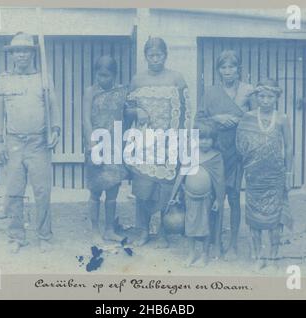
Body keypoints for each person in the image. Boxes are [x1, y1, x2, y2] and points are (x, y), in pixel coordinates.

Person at [0, 32, 61, 254]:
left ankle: (44, 236)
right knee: (14, 191)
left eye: (25, 51)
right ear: (12, 55)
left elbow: (54, 108)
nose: (21, 55)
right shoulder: (3, 80)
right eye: (17, 51)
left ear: (32, 54)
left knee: (42, 191)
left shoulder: (43, 78)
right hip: (13, 144)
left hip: (38, 144)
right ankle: (16, 236)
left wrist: (56, 131)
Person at [125, 37, 191, 247]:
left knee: (165, 189)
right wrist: (136, 111)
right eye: (151, 55)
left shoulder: (176, 78)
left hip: (168, 143)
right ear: (145, 56)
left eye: (159, 55)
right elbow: (126, 109)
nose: (155, 59)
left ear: (165, 55)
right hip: (144, 143)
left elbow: (187, 111)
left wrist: (182, 139)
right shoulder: (137, 80)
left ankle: (162, 232)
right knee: (143, 188)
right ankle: (142, 230)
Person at [195, 50, 254, 258]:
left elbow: (256, 120)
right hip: (216, 153)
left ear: (239, 69)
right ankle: (214, 240)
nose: (228, 71)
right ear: (218, 70)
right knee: (213, 197)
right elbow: (198, 120)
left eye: (232, 67)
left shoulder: (247, 92)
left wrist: (241, 118)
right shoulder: (210, 92)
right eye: (223, 67)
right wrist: (217, 118)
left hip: (237, 152)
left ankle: (233, 243)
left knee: (234, 196)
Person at [236, 79, 293, 270]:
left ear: (276, 97)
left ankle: (274, 255)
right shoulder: (248, 117)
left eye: (270, 96)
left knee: (276, 217)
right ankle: (257, 255)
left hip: (275, 175)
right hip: (254, 176)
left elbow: (290, 146)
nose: (266, 100)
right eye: (261, 96)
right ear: (256, 97)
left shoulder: (282, 118)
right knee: (254, 217)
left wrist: (289, 173)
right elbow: (241, 144)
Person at [83, 55, 128, 242]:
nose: (103, 79)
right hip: (97, 144)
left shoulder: (122, 92)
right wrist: (92, 144)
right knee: (95, 190)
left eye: (107, 75)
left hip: (115, 146)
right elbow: (85, 120)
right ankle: (95, 230)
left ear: (114, 75)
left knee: (112, 191)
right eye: (100, 75)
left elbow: (129, 112)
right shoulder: (90, 92)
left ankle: (109, 229)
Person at [182, 127, 225, 267]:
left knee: (206, 224)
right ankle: (191, 253)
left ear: (213, 140)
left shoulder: (216, 156)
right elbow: (182, 174)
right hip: (189, 196)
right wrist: (178, 192)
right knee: (190, 224)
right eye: (202, 138)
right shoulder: (191, 154)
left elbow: (220, 181)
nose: (205, 142)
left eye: (208, 139)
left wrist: (219, 200)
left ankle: (204, 254)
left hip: (208, 198)